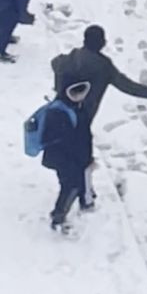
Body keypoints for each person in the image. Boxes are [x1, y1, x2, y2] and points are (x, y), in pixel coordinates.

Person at [50, 26, 147, 210]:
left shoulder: (70, 58)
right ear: (101, 43)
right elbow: (126, 85)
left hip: (60, 113)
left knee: (69, 154)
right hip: (82, 118)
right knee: (83, 159)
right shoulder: (103, 66)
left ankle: (81, 192)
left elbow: (55, 63)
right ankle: (84, 199)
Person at [41, 77, 92, 233]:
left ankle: (77, 204)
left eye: (82, 92)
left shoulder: (77, 107)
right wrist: (83, 160)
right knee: (71, 186)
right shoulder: (58, 113)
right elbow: (68, 140)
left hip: (73, 158)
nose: (79, 96)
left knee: (70, 184)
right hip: (65, 159)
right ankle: (58, 218)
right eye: (74, 93)